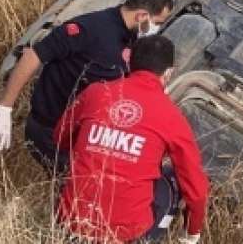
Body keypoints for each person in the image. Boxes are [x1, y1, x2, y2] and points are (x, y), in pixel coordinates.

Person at [0, 0, 176, 175]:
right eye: (157, 23)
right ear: (141, 16)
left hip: (87, 134)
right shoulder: (89, 29)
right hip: (52, 131)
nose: (157, 29)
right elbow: (33, 56)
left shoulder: (131, 37)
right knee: (82, 188)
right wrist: (5, 107)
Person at [55, 35, 208, 244]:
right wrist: (192, 231)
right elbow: (196, 188)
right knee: (173, 178)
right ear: (169, 73)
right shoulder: (171, 116)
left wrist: (100, 147)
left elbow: (60, 138)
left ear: (129, 62)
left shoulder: (96, 92)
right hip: (124, 234)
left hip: (70, 221)